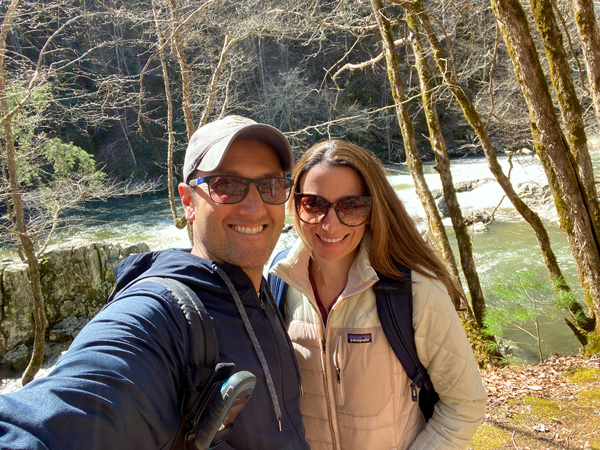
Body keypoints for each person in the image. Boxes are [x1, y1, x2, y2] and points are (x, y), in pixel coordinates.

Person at [0, 115, 309, 450]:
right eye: (226, 186)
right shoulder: (161, 314)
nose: (254, 207)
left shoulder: (264, 294)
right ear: (189, 201)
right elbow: (45, 426)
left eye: (271, 187)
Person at [268, 139, 487, 450]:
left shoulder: (414, 291)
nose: (330, 224)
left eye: (351, 205)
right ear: (296, 205)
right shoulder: (277, 281)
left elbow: (465, 404)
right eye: (314, 204)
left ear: (371, 210)